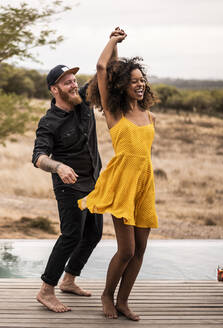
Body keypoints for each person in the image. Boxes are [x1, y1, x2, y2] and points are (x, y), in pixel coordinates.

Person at [78, 27, 160, 321]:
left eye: (142, 80)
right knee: (125, 250)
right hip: (122, 183)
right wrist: (113, 41)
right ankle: (106, 295)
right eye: (133, 81)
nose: (139, 85)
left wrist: (120, 56)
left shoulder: (148, 114)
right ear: (122, 86)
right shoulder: (115, 114)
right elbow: (103, 68)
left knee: (139, 251)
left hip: (144, 183)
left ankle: (123, 301)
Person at [31, 62, 104, 312]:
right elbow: (39, 157)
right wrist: (59, 167)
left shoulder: (82, 100)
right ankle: (46, 290)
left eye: (74, 80)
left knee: (93, 234)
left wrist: (112, 42)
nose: (74, 85)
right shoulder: (49, 122)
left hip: (94, 183)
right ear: (54, 89)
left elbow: (104, 71)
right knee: (71, 235)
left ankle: (69, 280)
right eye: (67, 82)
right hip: (69, 187)